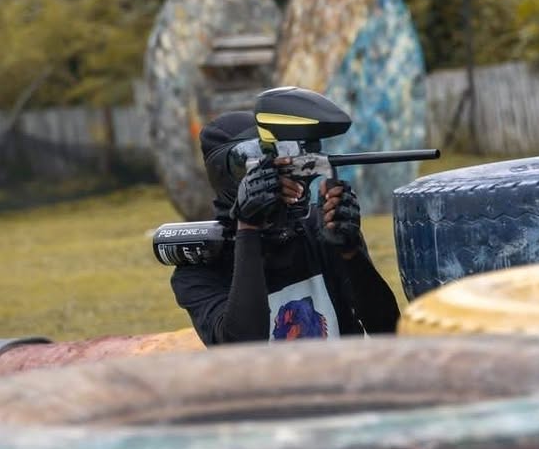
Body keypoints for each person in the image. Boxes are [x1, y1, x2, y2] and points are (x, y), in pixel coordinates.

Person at [171, 110, 401, 344]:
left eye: (287, 157)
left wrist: (351, 253)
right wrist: (248, 228)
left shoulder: (320, 229)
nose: (283, 176)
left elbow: (388, 328)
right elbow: (243, 344)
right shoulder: (201, 268)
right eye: (261, 166)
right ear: (226, 174)